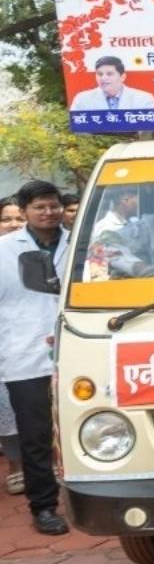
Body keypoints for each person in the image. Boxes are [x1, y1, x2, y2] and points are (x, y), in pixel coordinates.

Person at [0, 181, 71, 534]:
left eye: (53, 206)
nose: (48, 213)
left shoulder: (80, 243)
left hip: (77, 352)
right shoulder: (4, 251)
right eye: (40, 207)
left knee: (85, 427)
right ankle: (43, 506)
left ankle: (91, 496)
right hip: (24, 356)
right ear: (25, 210)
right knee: (35, 436)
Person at [0, 197, 22, 495]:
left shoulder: (38, 253)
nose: (14, 224)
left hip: (33, 342)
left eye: (19, 218)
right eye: (7, 219)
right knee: (6, 407)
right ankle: (16, 466)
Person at [69, 55, 154, 111]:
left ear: (122, 77)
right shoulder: (82, 99)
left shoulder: (144, 98)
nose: (103, 78)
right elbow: (77, 129)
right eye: (100, 74)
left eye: (109, 74)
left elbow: (150, 128)